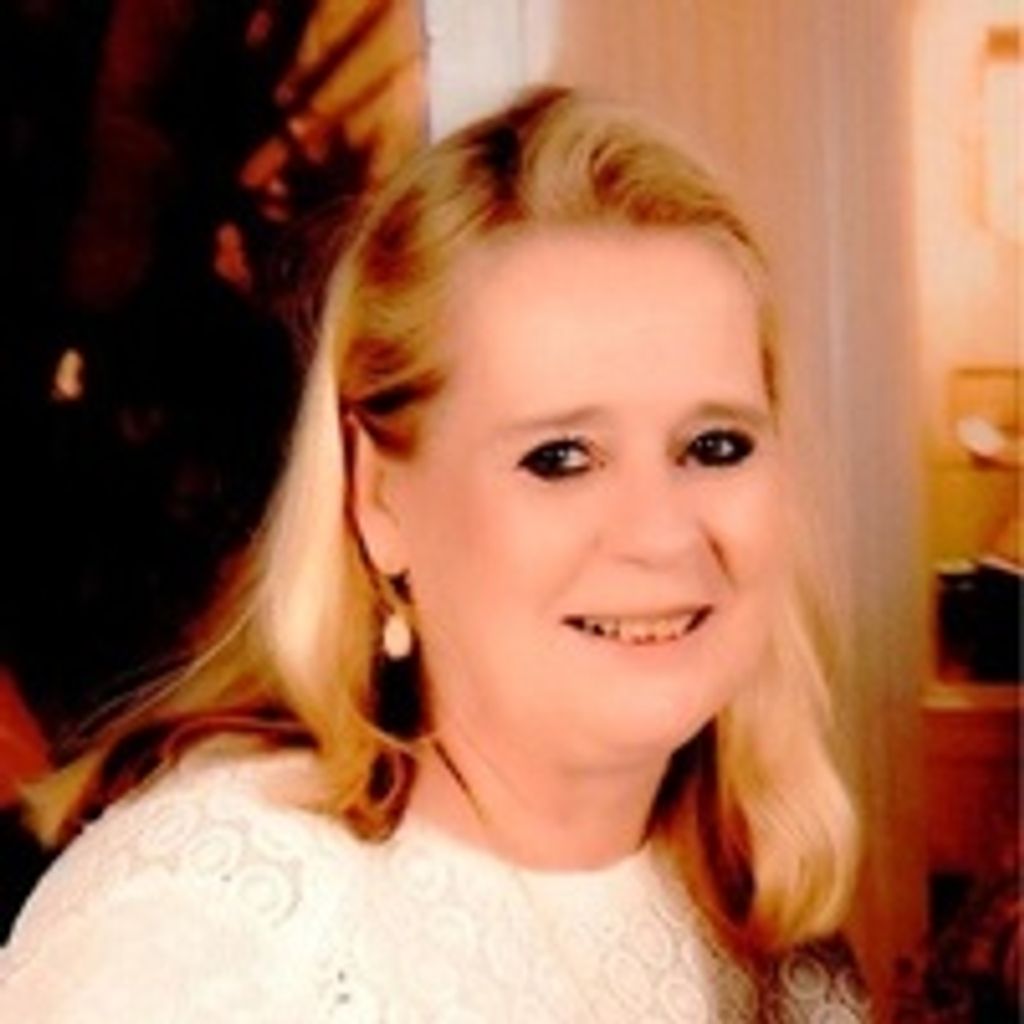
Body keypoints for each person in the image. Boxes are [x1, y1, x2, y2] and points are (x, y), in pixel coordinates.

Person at [0, 86, 870, 1021]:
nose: (661, 533)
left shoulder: (775, 938)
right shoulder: (197, 932)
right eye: (560, 458)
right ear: (378, 497)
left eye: (715, 446)